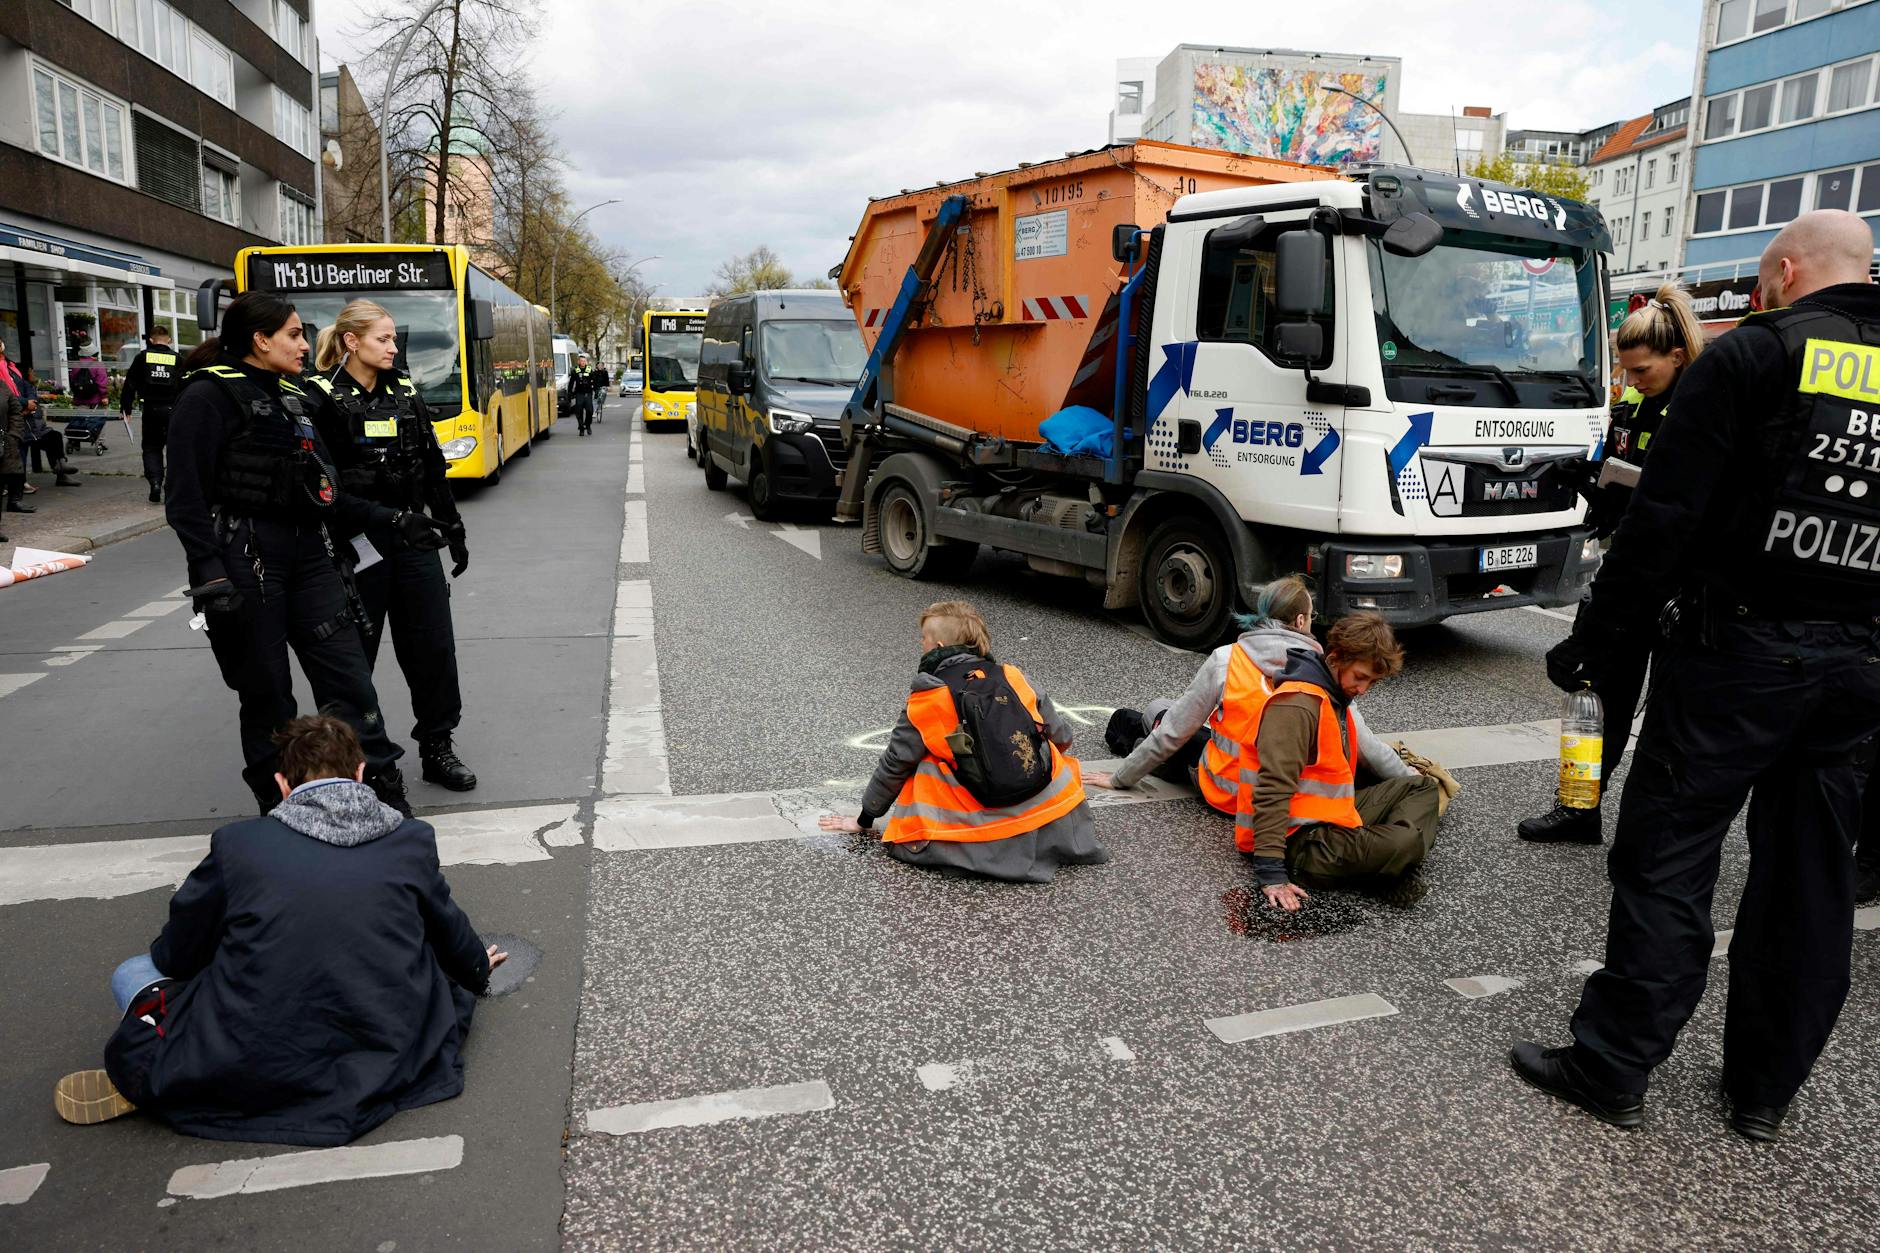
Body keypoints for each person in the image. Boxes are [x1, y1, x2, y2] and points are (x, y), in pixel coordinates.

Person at [1513, 210, 1880, 1142]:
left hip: (1738, 656)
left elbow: (1664, 520)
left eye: (1764, 281)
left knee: (1669, 855)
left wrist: (1598, 637)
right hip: (1859, 666)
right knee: (1809, 880)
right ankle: (1762, 1090)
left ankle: (1614, 1062)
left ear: (1787, 271)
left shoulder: (1756, 355)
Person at [52, 715, 506, 1144]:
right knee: (410, 949)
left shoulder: (239, 845)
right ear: (361, 773)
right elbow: (448, 927)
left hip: (259, 1050)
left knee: (132, 972)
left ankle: (170, 1075)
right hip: (380, 1038)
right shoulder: (410, 838)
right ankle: (173, 1076)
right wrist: (474, 967)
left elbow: (177, 957)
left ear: (283, 785)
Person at [164, 291, 446, 816]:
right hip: (248, 562)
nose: (302, 343)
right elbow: (184, 497)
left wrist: (394, 519)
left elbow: (327, 490)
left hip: (312, 557)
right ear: (260, 339)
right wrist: (208, 574)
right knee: (268, 694)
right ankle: (281, 803)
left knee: (350, 683)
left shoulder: (293, 395)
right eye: (294, 334)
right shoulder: (207, 397)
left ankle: (379, 789)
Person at [1518, 283, 1707, 846]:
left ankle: (1662, 831)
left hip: (1679, 588)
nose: (1632, 382)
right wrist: (1587, 485)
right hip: (1627, 577)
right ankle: (1579, 809)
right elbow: (1618, 494)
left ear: (1677, 357)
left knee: (1676, 721)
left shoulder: (1700, 414)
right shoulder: (1631, 409)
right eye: (1625, 372)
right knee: (1597, 702)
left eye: (1642, 371)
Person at [307, 300, 477, 792]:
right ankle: (363, 762)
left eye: (393, 338)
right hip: (354, 545)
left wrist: (453, 525)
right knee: (354, 662)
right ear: (351, 341)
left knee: (432, 651)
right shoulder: (320, 397)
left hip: (413, 541)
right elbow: (323, 490)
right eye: (383, 339)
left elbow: (431, 462)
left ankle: (437, 746)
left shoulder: (404, 390)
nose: (393, 346)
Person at [818, 600, 1106, 883]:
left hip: (984, 836)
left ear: (938, 648)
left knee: (928, 760)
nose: (921, 644)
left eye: (924, 639)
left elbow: (895, 763)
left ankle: (963, 838)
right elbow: (1063, 736)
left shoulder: (930, 695)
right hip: (1057, 818)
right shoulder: (1013, 675)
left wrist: (864, 819)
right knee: (1047, 746)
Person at [1092, 576, 1428, 799]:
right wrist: (1410, 777)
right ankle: (1140, 731)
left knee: (1162, 714)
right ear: (1299, 622)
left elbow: (1173, 733)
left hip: (1227, 790)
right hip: (1280, 799)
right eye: (1310, 617)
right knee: (1173, 722)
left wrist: (1119, 779)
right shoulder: (1325, 672)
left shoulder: (1228, 659)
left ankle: (1136, 728)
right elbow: (1367, 748)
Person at [121, 324, 182, 503]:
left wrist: (126, 408)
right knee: (174, 449)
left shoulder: (142, 357)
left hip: (151, 410)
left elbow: (130, 383)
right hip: (173, 411)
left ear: (151, 340)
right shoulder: (177, 359)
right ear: (169, 340)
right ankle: (171, 487)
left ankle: (155, 482)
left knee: (151, 448)